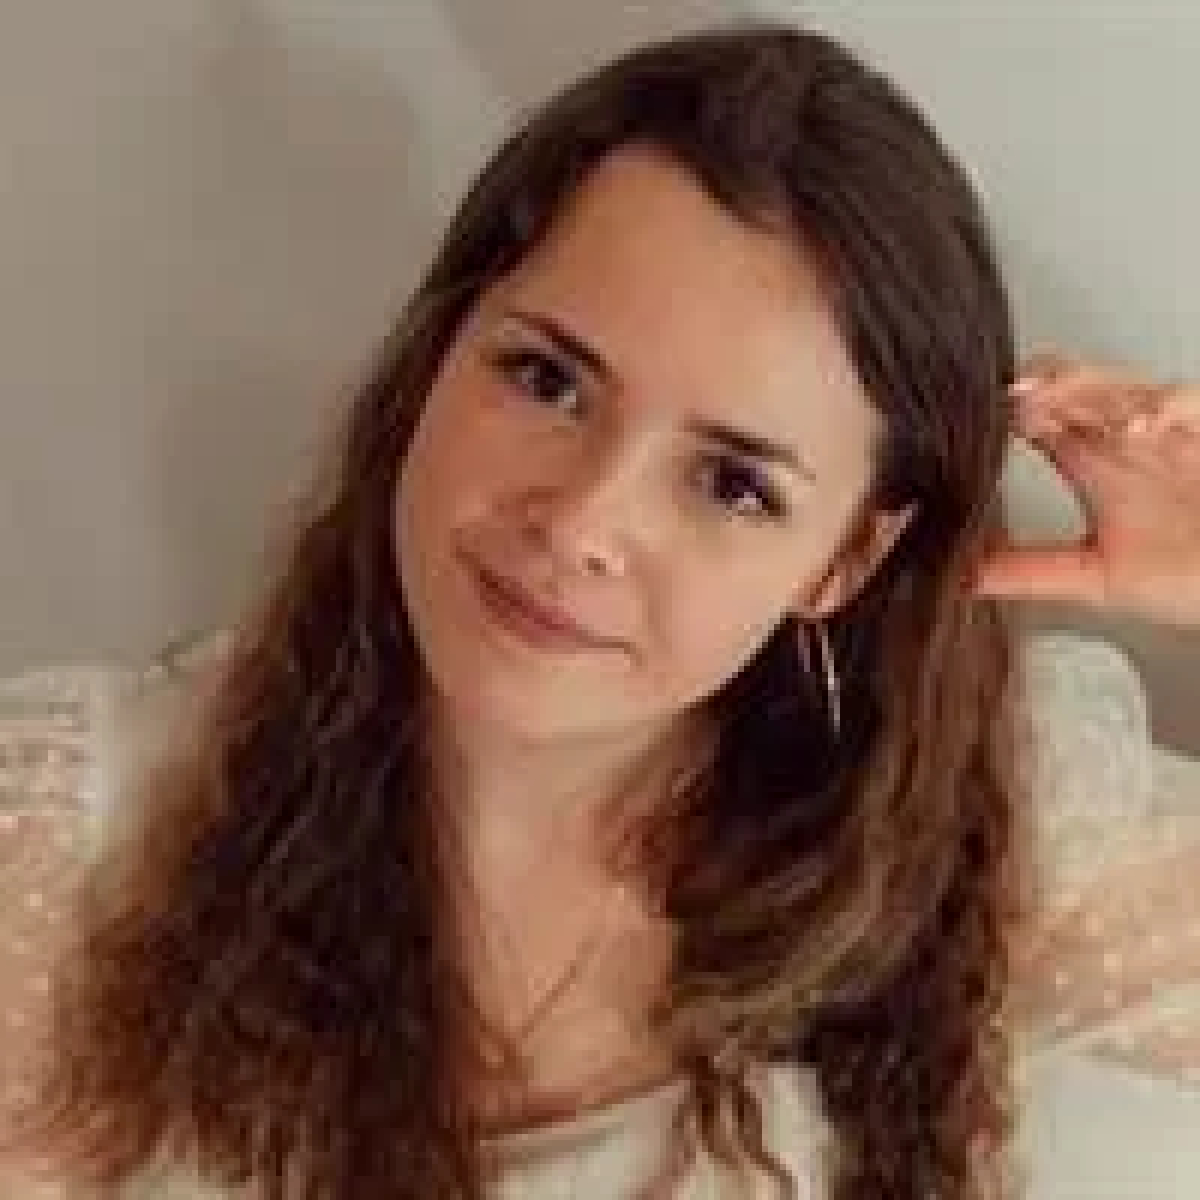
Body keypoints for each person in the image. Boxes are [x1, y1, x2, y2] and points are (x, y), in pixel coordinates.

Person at [0, 17, 1196, 1200]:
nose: (579, 523)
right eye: (547, 380)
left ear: (847, 558)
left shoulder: (975, 851)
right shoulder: (71, 849)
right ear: (439, 350)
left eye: (731, 483)